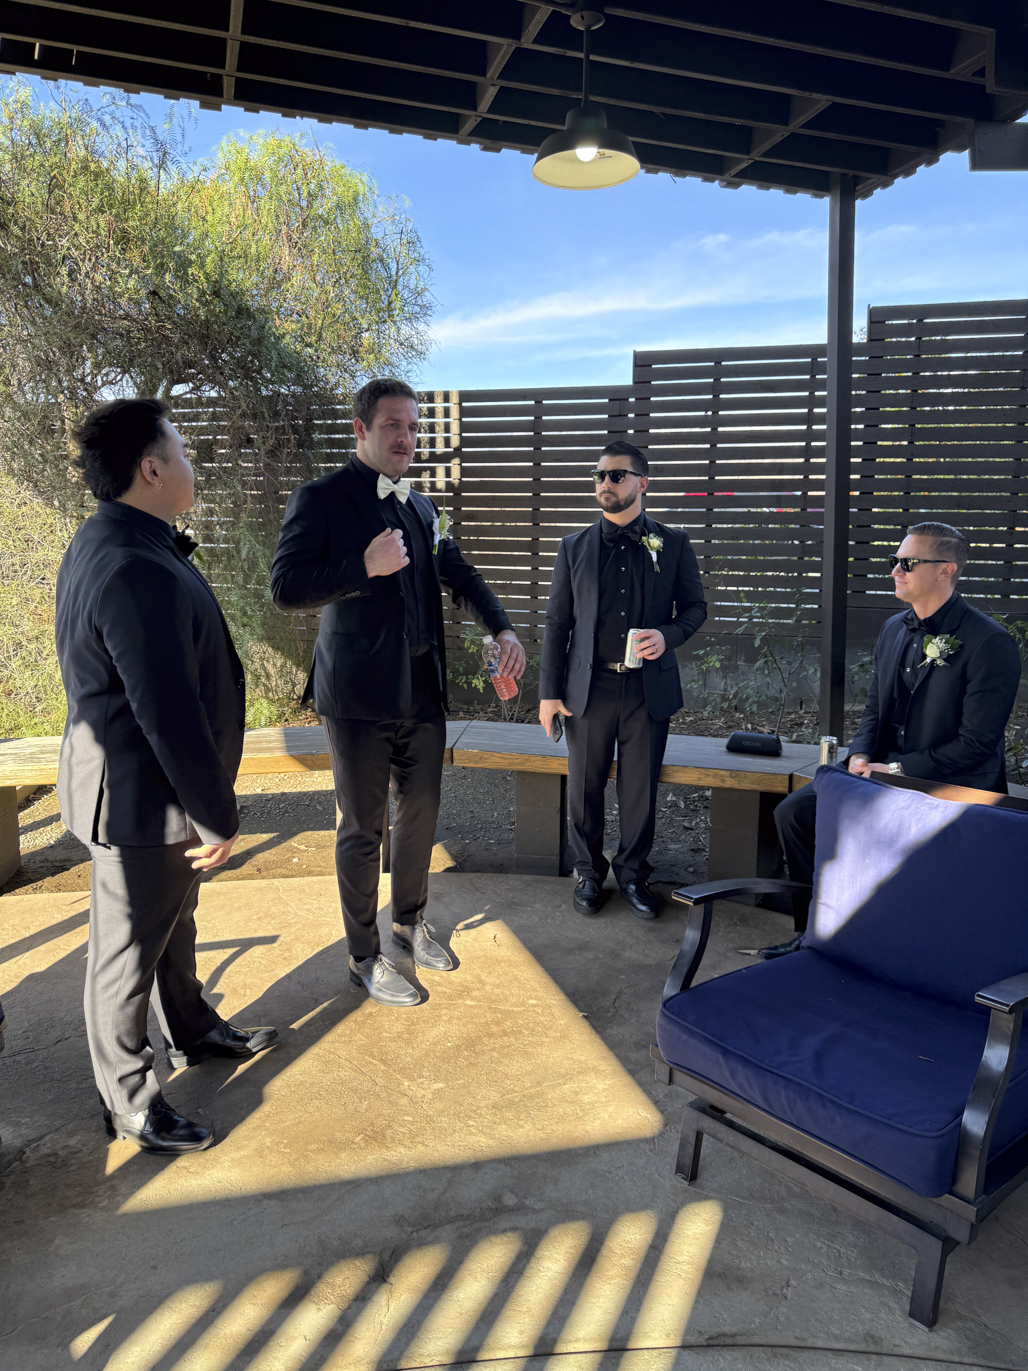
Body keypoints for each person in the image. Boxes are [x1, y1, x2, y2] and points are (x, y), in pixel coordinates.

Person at [55, 399, 278, 1155]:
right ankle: (130, 1102)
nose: (192, 463)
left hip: (153, 798)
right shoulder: (127, 561)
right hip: (140, 804)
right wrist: (215, 812)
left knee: (174, 925)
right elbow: (166, 707)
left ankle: (193, 1026)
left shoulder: (117, 539)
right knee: (123, 955)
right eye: (181, 451)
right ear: (150, 469)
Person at [270, 377, 526, 1007]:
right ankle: (363, 955)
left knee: (420, 816)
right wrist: (364, 568)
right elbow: (286, 586)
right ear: (361, 429)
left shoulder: (421, 507)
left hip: (421, 690)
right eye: (393, 426)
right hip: (356, 696)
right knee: (364, 827)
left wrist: (501, 625)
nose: (407, 438)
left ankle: (409, 924)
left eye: (413, 427)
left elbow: (457, 571)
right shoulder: (321, 499)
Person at [764, 520, 1022, 958]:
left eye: (907, 562)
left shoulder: (990, 643)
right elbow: (874, 710)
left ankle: (896, 948)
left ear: (947, 570)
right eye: (894, 561)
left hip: (950, 783)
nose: (895, 570)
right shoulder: (893, 629)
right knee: (795, 813)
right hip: (883, 770)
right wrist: (861, 753)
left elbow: (976, 744)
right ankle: (814, 935)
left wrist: (899, 770)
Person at [539, 440, 706, 918]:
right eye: (599, 475)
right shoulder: (572, 548)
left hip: (647, 689)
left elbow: (695, 608)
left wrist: (668, 635)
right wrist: (548, 692)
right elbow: (557, 623)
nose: (605, 483)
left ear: (642, 483)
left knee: (640, 789)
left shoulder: (673, 543)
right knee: (584, 788)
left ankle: (633, 874)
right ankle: (588, 874)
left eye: (616, 475)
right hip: (587, 689)